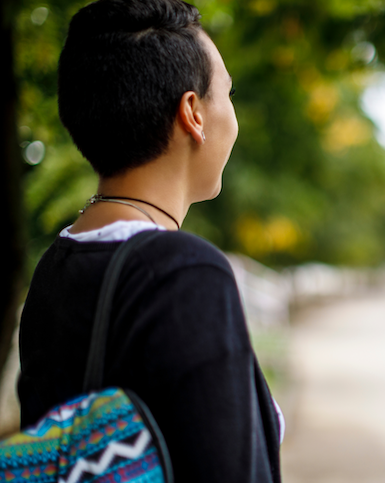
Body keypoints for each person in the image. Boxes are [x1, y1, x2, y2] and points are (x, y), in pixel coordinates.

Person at [17, 0, 282, 481]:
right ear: (193, 113)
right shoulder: (184, 273)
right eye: (229, 93)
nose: (233, 115)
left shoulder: (55, 266)